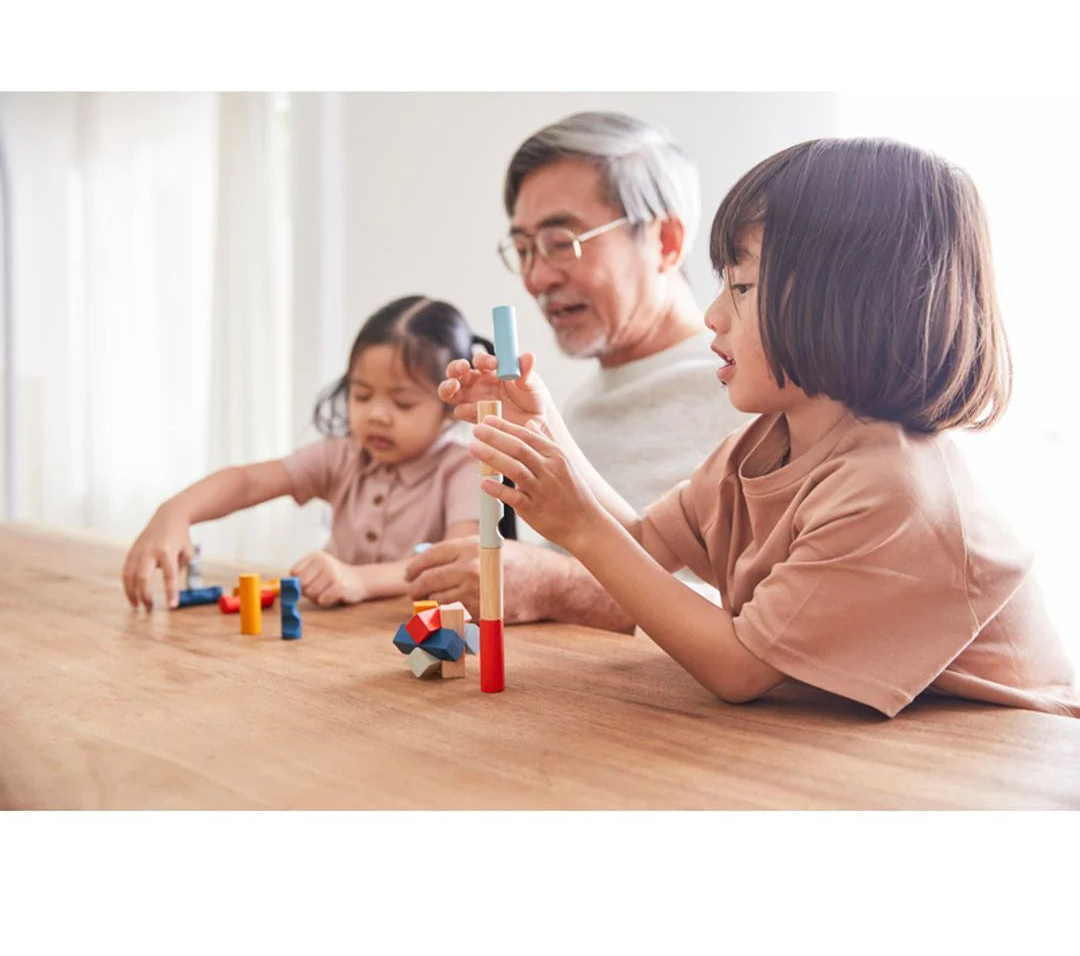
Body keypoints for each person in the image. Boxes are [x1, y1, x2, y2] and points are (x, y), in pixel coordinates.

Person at [448, 137, 1079, 718]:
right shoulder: (764, 442)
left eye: (744, 287)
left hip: (1010, 759)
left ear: (849, 304)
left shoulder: (893, 486)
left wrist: (579, 525)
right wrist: (543, 422)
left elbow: (738, 668)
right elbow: (645, 544)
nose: (713, 314)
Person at [405, 112, 744, 630]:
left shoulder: (744, 390)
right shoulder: (580, 406)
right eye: (522, 249)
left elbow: (775, 616)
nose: (537, 277)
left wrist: (558, 586)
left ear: (666, 241)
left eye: (561, 241)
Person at [122, 295, 487, 612]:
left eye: (402, 402)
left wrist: (358, 580)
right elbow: (249, 482)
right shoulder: (343, 455)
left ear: (450, 406)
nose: (376, 413)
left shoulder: (464, 469)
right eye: (361, 395)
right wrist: (176, 511)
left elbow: (455, 560)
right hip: (331, 646)